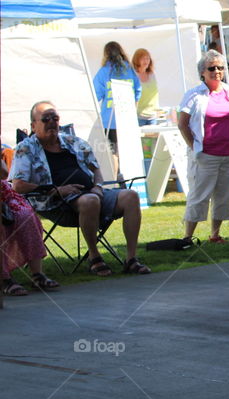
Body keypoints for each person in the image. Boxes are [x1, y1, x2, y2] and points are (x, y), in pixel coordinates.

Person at [11, 101, 150, 276]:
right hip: (55, 202)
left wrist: (98, 187)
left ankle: (131, 259)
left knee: (130, 196)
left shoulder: (73, 141)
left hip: (92, 193)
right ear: (33, 125)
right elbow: (18, 186)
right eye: (46, 119)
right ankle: (94, 257)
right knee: (90, 201)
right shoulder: (26, 149)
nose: (52, 122)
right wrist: (56, 190)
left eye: (55, 118)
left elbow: (95, 168)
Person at [177, 50, 229, 245]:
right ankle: (187, 237)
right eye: (212, 68)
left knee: (225, 196)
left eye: (220, 67)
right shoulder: (194, 94)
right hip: (206, 155)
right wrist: (194, 146)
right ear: (202, 72)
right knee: (199, 196)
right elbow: (182, 123)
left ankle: (215, 234)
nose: (217, 71)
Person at [1, 159, 57, 295]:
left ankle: (37, 274)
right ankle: (4, 279)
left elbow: (3, 174)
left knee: (26, 215)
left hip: (4, 195)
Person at [93, 42, 141, 168]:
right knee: (127, 152)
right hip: (128, 118)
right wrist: (133, 108)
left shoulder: (103, 72)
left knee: (112, 153)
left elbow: (95, 95)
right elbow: (138, 90)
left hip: (109, 120)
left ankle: (114, 182)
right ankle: (127, 180)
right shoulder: (129, 70)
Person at [132, 48, 161, 126]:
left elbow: (155, 94)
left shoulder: (152, 74)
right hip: (138, 116)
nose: (146, 61)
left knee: (154, 137)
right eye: (143, 58)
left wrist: (158, 110)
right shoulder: (133, 75)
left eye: (148, 58)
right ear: (137, 60)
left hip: (153, 116)